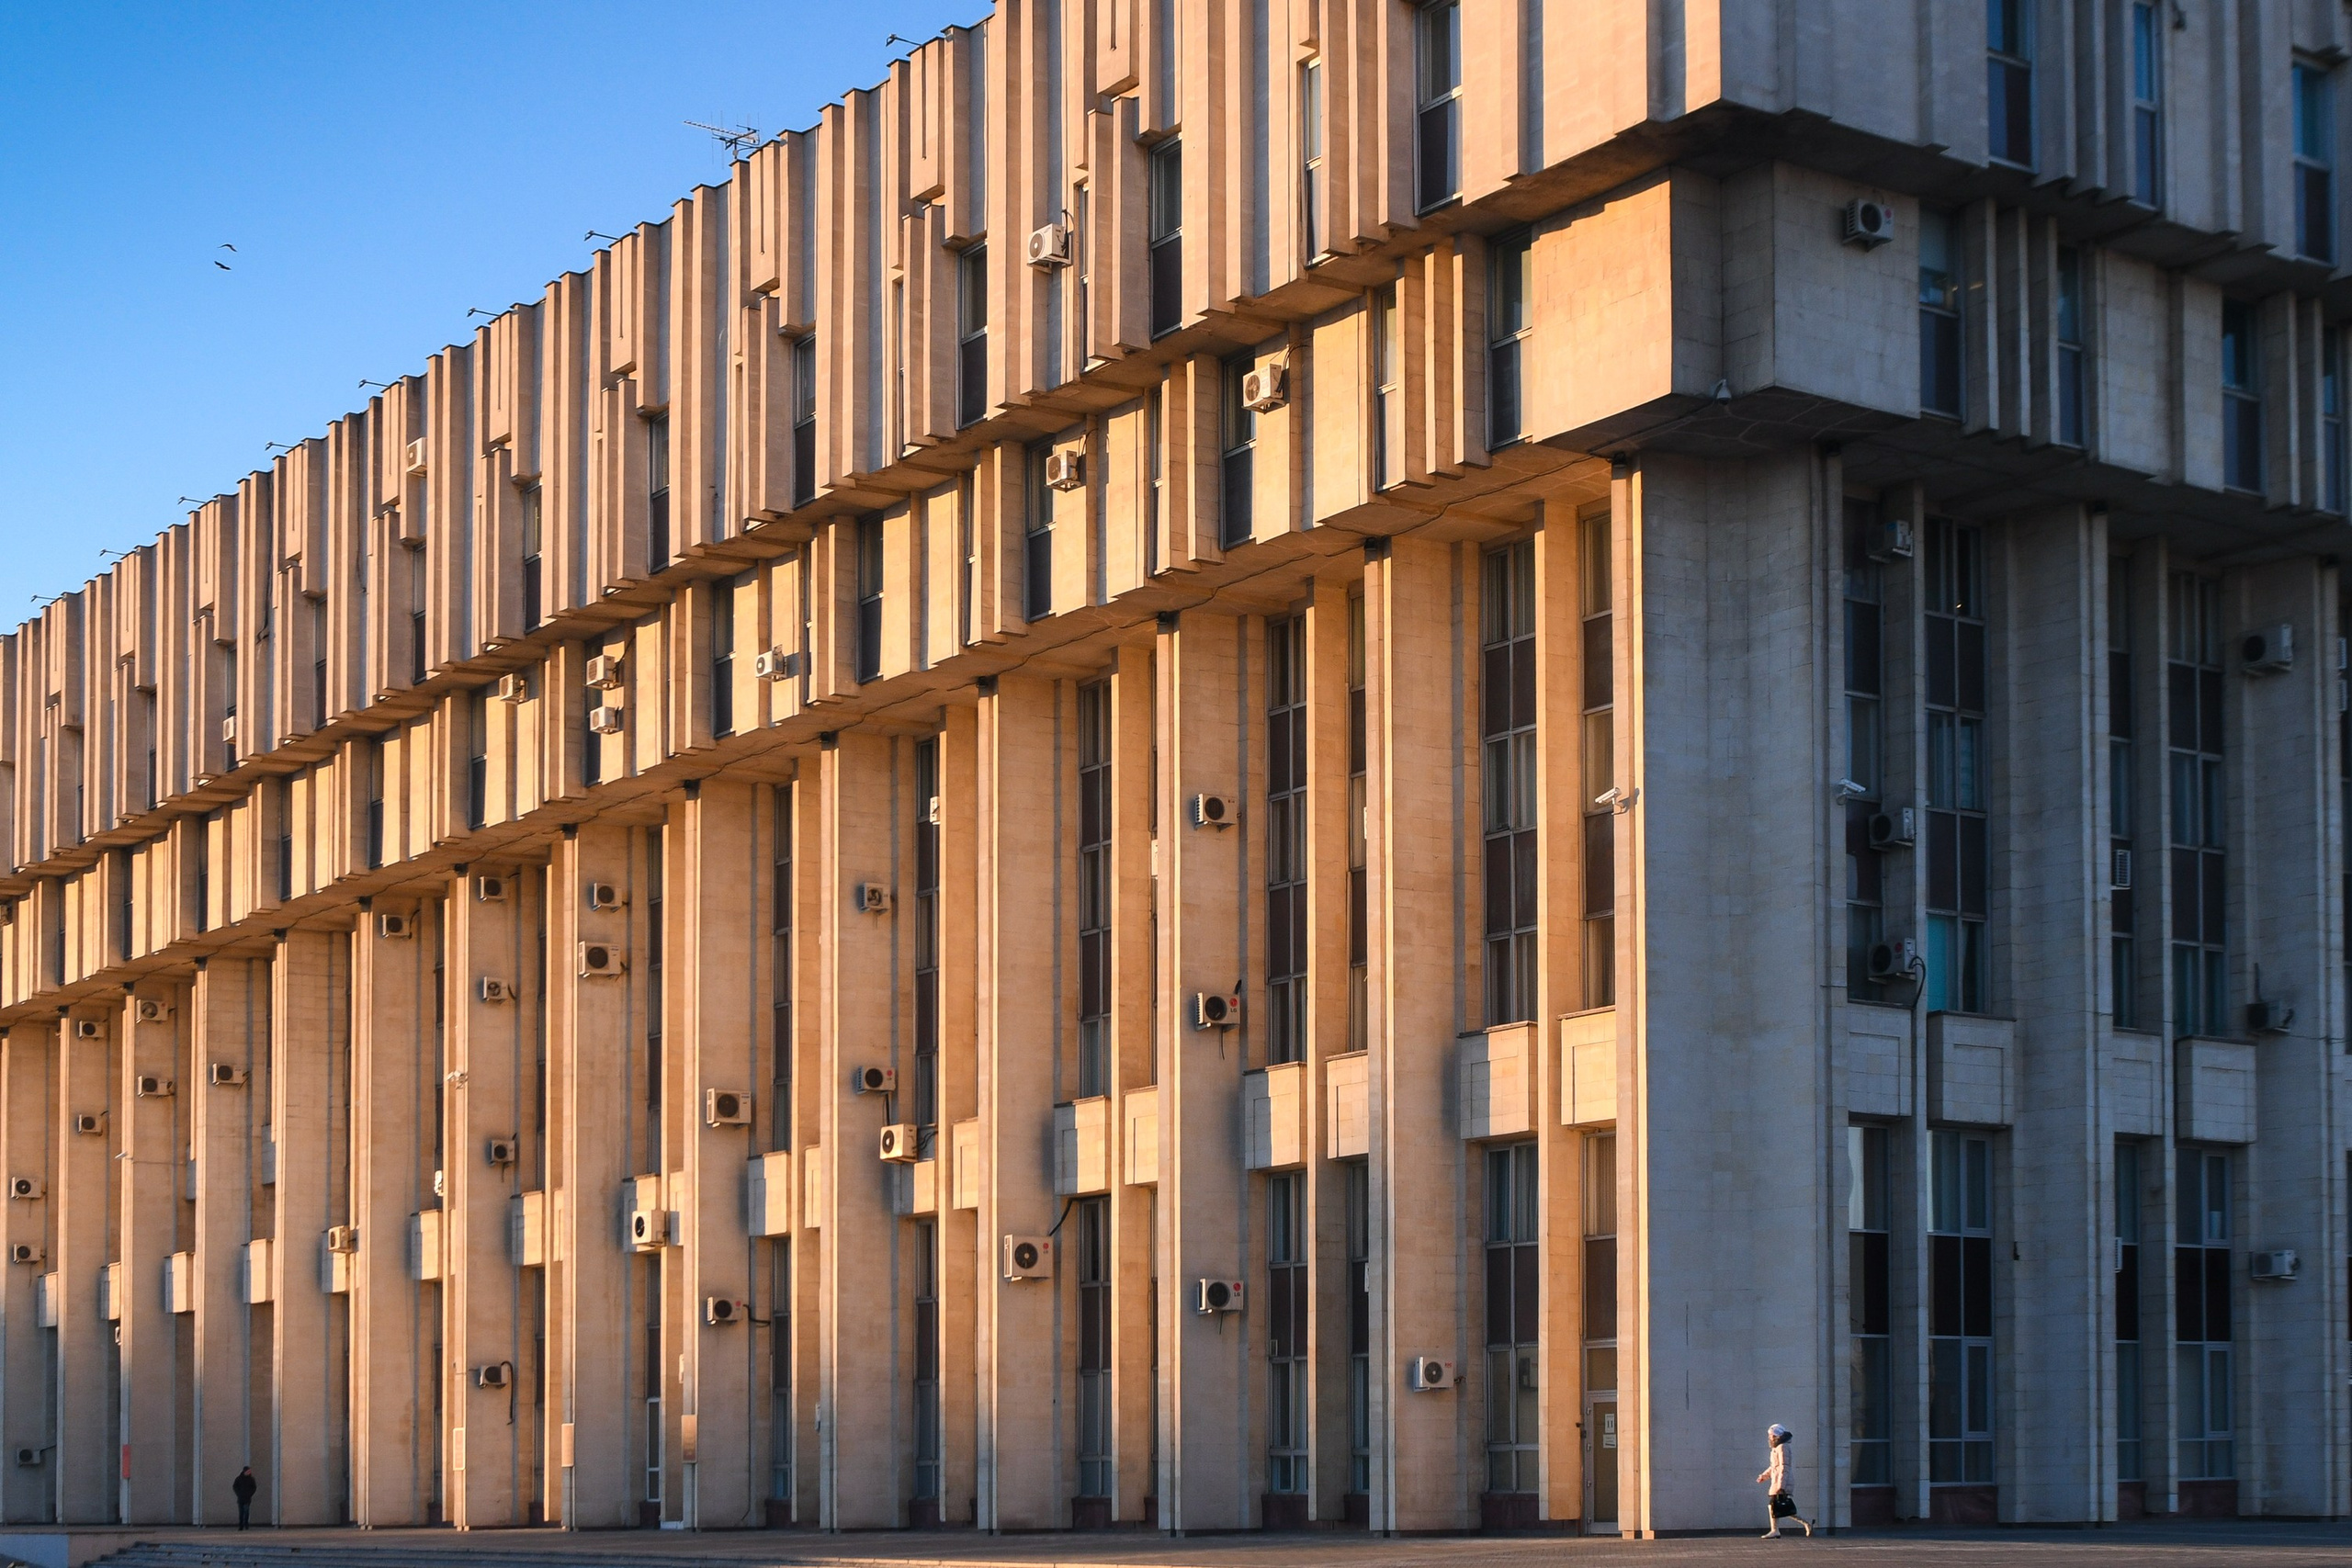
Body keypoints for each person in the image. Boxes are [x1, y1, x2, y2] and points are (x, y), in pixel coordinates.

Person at [1754, 1424, 1814, 1538]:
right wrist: (1764, 1476)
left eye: (1771, 1435)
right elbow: (1773, 1467)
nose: (1769, 1437)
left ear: (1776, 1435)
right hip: (1778, 1481)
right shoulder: (1776, 1448)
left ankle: (1776, 1530)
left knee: (1778, 1506)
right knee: (1779, 1507)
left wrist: (1781, 1486)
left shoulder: (1782, 1447)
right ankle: (1806, 1523)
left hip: (1781, 1482)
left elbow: (1784, 1467)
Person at [232, 1465, 257, 1529]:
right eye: (248, 1471)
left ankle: (246, 1524)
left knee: (246, 1511)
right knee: (241, 1512)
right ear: (244, 1471)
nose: (249, 1472)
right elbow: (235, 1486)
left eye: (249, 1471)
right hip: (240, 1498)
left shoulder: (251, 1479)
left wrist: (250, 1494)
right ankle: (241, 1525)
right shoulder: (239, 1478)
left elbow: (254, 1487)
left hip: (247, 1498)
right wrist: (238, 1493)